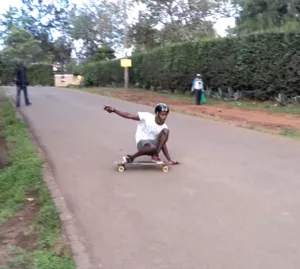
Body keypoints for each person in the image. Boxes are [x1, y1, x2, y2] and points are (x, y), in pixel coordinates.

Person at [104, 103, 177, 164]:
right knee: (152, 147)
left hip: (154, 146)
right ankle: (131, 157)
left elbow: (163, 143)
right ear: (157, 113)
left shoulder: (164, 127)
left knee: (166, 131)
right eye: (162, 114)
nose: (164, 117)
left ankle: (155, 156)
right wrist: (114, 110)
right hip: (142, 143)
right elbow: (129, 115)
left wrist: (169, 159)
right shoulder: (147, 117)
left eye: (165, 115)